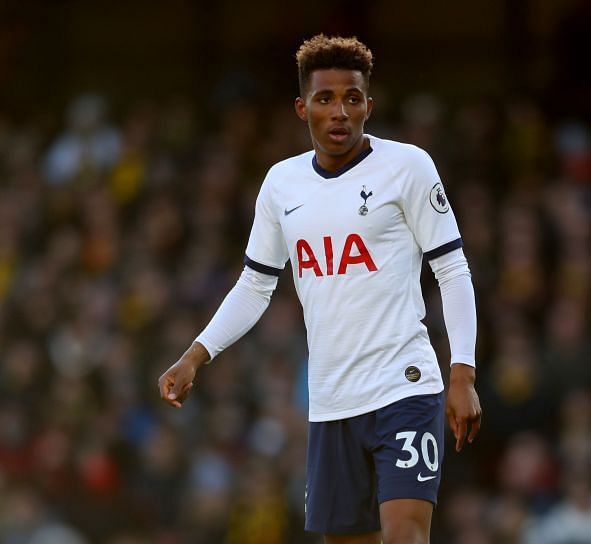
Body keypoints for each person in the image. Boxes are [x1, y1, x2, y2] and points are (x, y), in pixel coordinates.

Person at [158, 34, 481, 544]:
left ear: (369, 106)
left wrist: (461, 371)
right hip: (331, 402)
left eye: (352, 98)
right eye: (325, 99)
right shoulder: (281, 185)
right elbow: (255, 284)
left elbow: (453, 270)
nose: (339, 112)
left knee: (406, 536)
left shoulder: (408, 167)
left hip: (406, 385)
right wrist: (196, 355)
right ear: (301, 107)